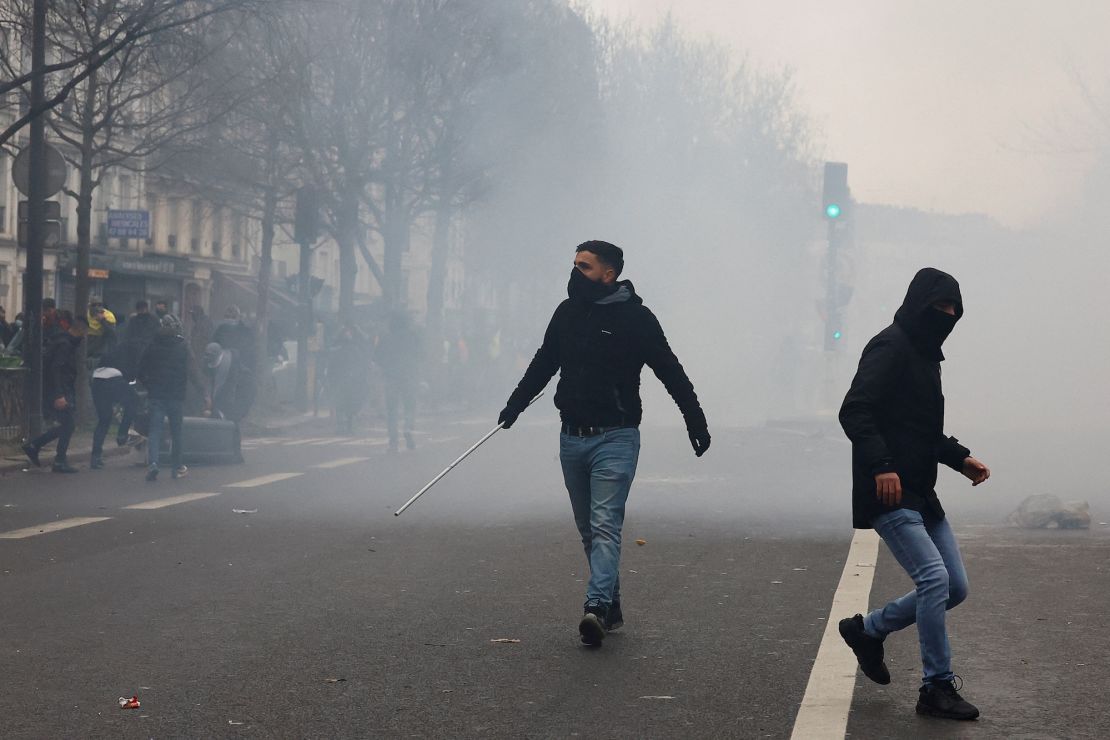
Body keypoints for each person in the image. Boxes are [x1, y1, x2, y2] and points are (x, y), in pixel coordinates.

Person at [497, 240, 711, 646]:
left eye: (585, 266)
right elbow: (545, 362)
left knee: (605, 524)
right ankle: (610, 606)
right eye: (574, 264)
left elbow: (670, 370)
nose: (576, 272)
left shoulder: (637, 319)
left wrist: (694, 419)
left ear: (608, 274)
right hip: (572, 436)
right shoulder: (566, 314)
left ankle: (594, 607)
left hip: (616, 436)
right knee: (588, 530)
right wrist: (515, 405)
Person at [838, 268, 991, 722]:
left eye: (953, 310)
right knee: (933, 580)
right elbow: (855, 410)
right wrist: (882, 465)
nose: (947, 316)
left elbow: (920, 430)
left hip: (920, 490)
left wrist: (959, 458)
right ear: (919, 304)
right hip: (889, 490)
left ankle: (867, 630)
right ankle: (936, 687)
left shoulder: (925, 356)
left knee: (955, 587)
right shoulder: (891, 346)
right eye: (940, 307)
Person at [138, 314, 207, 481]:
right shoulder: (184, 346)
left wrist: (149, 386)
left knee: (155, 431)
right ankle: (176, 467)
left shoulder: (153, 344)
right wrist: (204, 393)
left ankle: (153, 463)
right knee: (176, 432)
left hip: (157, 394)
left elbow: (141, 369)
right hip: (176, 395)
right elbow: (193, 372)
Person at [22, 312, 88, 473]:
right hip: (59, 390)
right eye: (85, 332)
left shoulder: (62, 341)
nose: (85, 336)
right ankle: (54, 457)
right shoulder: (65, 345)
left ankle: (36, 447)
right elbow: (56, 369)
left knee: (67, 424)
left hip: (58, 389)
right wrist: (59, 395)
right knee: (68, 424)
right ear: (81, 330)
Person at [89, 331, 142, 469]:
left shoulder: (116, 348)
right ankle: (122, 434)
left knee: (104, 419)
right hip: (114, 378)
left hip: (97, 380)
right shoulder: (134, 350)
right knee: (133, 401)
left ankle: (95, 457)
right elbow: (132, 374)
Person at [376, 313, 420, 450]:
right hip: (409, 376)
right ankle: (408, 428)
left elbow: (377, 357)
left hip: (391, 377)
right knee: (410, 405)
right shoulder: (413, 336)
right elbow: (422, 355)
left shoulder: (386, 337)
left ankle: (393, 441)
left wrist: (386, 367)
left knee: (392, 410)